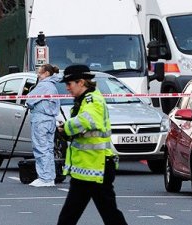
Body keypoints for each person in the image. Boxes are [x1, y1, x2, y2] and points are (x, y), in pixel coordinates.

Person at [57, 64, 128, 225]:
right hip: (87, 169)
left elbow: (86, 120)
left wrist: (65, 129)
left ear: (81, 82)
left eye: (69, 84)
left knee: (109, 214)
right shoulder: (84, 99)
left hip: (97, 168)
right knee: (71, 216)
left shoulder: (93, 99)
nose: (67, 88)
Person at [26, 64, 61, 187]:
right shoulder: (52, 86)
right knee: (48, 149)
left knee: (41, 148)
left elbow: (29, 100)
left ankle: (44, 178)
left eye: (39, 73)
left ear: (46, 73)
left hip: (40, 120)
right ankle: (49, 177)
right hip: (50, 120)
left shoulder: (43, 85)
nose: (38, 75)